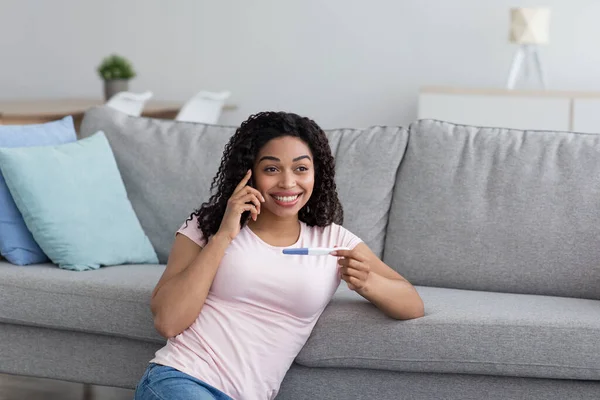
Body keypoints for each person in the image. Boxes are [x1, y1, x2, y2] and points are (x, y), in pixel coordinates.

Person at [134, 112, 424, 400]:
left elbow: (412, 304)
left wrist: (368, 283)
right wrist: (224, 236)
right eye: (272, 169)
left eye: (301, 169)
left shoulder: (333, 239)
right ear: (248, 173)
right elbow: (168, 322)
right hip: (182, 378)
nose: (288, 183)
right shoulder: (207, 225)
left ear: (316, 174)